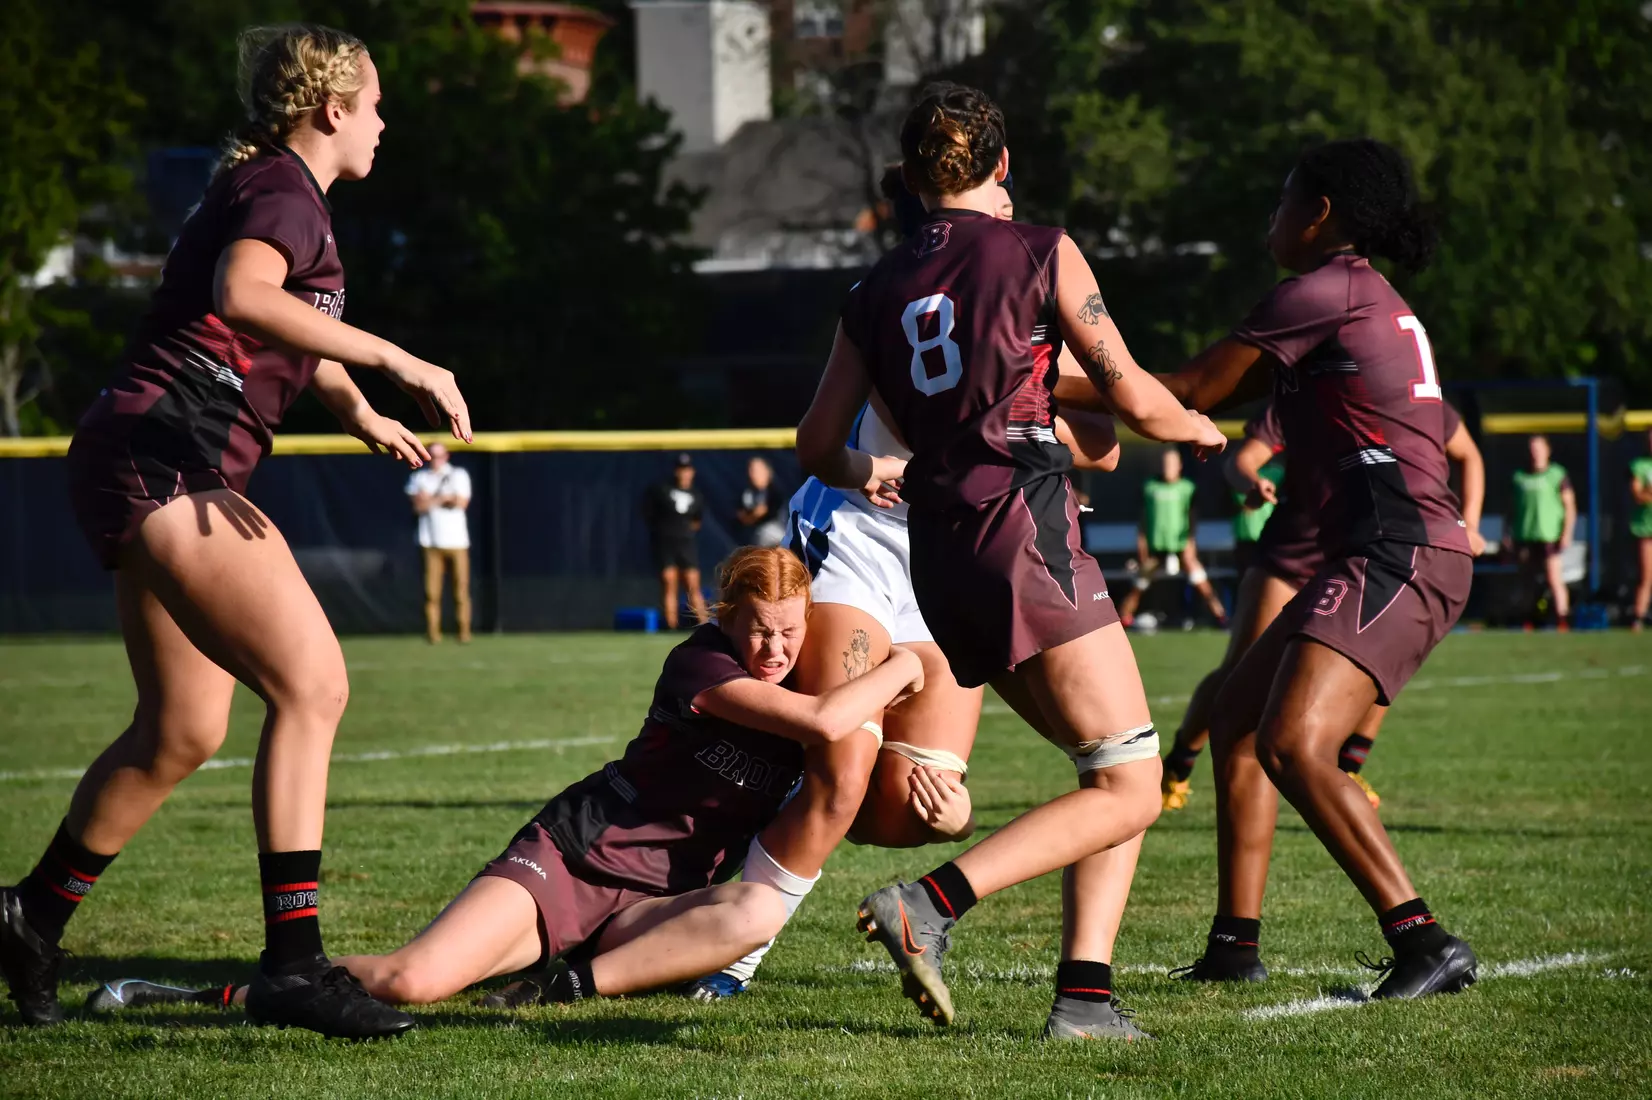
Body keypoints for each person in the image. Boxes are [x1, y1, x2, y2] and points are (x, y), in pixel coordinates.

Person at [0, 24, 470, 1037]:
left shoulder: (279, 192)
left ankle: (28, 916)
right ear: (333, 108)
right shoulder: (281, 191)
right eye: (377, 105)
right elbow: (244, 297)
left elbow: (284, 324)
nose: (385, 125)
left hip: (148, 454)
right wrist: (403, 360)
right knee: (315, 682)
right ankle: (296, 964)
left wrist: (357, 408)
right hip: (164, 456)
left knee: (182, 728)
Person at [797, 83, 1225, 1040]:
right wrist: (1192, 424)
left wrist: (881, 468)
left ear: (910, 180)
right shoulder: (1039, 248)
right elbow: (1138, 400)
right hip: (1023, 532)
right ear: (1001, 165)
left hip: (939, 557)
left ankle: (1085, 998)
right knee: (1133, 783)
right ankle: (935, 904)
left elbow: (818, 444)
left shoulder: (873, 291)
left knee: (1112, 770)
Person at [82, 547, 928, 1016]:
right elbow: (826, 726)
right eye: (758, 632)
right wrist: (900, 666)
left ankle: (562, 987)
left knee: (754, 912)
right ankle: (213, 995)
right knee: (418, 981)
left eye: (788, 635)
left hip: (656, 904)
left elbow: (850, 782)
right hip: (577, 858)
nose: (775, 652)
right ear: (723, 618)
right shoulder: (701, 665)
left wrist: (942, 792)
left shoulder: (807, 676)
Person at [681, 167, 1126, 1004]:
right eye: (999, 205)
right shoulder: (901, 293)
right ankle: (731, 956)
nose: (1008, 219)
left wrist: (1050, 402)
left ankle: (799, 846)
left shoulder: (1028, 303)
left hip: (956, 555)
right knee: (840, 766)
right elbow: (883, 411)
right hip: (861, 535)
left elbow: (1102, 443)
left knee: (928, 811)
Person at [1157, 138, 1478, 999]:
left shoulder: (1324, 290)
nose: (1274, 214)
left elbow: (1192, 386)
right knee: (1235, 716)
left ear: (1322, 213)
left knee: (1296, 743)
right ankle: (1234, 945)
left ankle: (1423, 940)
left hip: (1398, 553)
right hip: (1387, 551)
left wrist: (1038, 372)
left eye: (1285, 197)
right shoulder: (1360, 292)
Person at [1160, 398, 1485, 813]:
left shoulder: (1411, 396)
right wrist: (1251, 483)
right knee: (1241, 674)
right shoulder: (1307, 393)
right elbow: (1240, 462)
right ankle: (1178, 764)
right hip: (1292, 559)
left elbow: (1469, 454)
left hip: (1363, 560)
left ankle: (1347, 769)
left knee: (1377, 665)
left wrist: (1470, 523)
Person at [1117, 447, 1229, 628]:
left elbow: (1192, 518)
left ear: (1179, 466)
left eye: (1171, 463)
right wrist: (1142, 544)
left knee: (1202, 582)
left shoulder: (1187, 488)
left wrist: (1190, 543)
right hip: (1156, 548)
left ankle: (1221, 617)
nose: (1167, 467)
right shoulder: (1150, 487)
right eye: (1165, 463)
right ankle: (1124, 618)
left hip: (1181, 546)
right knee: (1139, 584)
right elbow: (1143, 520)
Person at [1507, 434, 1576, 630]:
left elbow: (1570, 506)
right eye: (1532, 449)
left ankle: (1562, 618)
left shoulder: (1557, 475)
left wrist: (1567, 533)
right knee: (1526, 580)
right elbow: (1511, 509)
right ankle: (1528, 618)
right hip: (1524, 535)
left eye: (1538, 449)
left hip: (1549, 535)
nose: (1535, 453)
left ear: (1547, 451)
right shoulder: (1519, 477)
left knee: (1554, 578)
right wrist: (1507, 534)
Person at [406, 442, 473, 643]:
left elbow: (461, 502)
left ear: (446, 456)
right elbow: (418, 507)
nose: (436, 460)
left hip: (457, 542)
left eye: (439, 455)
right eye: (432, 456)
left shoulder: (458, 475)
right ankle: (433, 633)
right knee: (431, 592)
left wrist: (431, 500)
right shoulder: (420, 477)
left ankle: (464, 632)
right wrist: (443, 498)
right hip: (430, 541)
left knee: (460, 590)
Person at [644, 453, 708, 629]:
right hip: (665, 542)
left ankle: (704, 625)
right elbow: (650, 514)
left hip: (685, 543)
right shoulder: (662, 490)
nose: (684, 473)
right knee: (669, 581)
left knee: (692, 584)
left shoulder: (696, 495)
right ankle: (670, 625)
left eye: (687, 469)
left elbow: (697, 520)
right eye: (681, 469)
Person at [736, 456, 787, 547]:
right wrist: (754, 515)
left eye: (757, 470)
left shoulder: (775, 492)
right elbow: (740, 517)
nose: (753, 474)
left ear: (767, 472)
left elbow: (771, 512)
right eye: (751, 470)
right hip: (752, 539)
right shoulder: (746, 493)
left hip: (775, 535)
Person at [1631, 429, 1652, 631]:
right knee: (1647, 576)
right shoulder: (1640, 465)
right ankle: (1638, 618)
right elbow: (1638, 493)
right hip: (1647, 528)